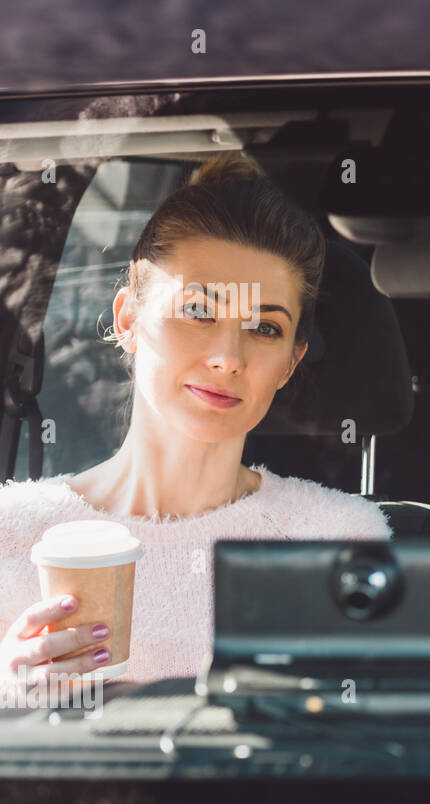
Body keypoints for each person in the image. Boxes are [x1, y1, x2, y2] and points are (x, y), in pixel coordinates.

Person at [0, 153, 391, 688]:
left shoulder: (340, 540)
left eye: (264, 329)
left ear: (290, 364)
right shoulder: (11, 533)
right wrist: (10, 700)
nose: (228, 356)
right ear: (128, 320)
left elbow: (365, 755)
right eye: (199, 311)